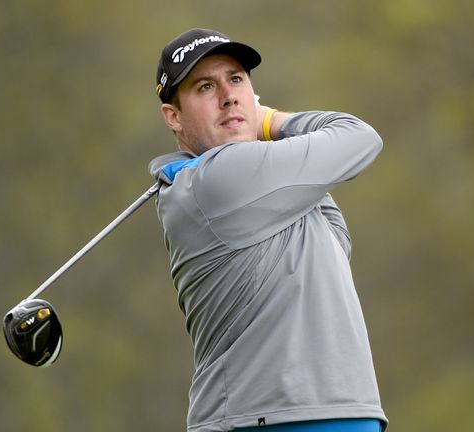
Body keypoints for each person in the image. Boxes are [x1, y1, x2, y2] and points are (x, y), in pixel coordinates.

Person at [148, 28, 387, 432]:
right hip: (264, 419)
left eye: (236, 80)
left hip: (343, 414)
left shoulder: (266, 181)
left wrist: (252, 130)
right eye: (206, 87)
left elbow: (336, 241)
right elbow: (359, 137)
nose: (228, 96)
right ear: (174, 116)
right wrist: (268, 120)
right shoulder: (217, 180)